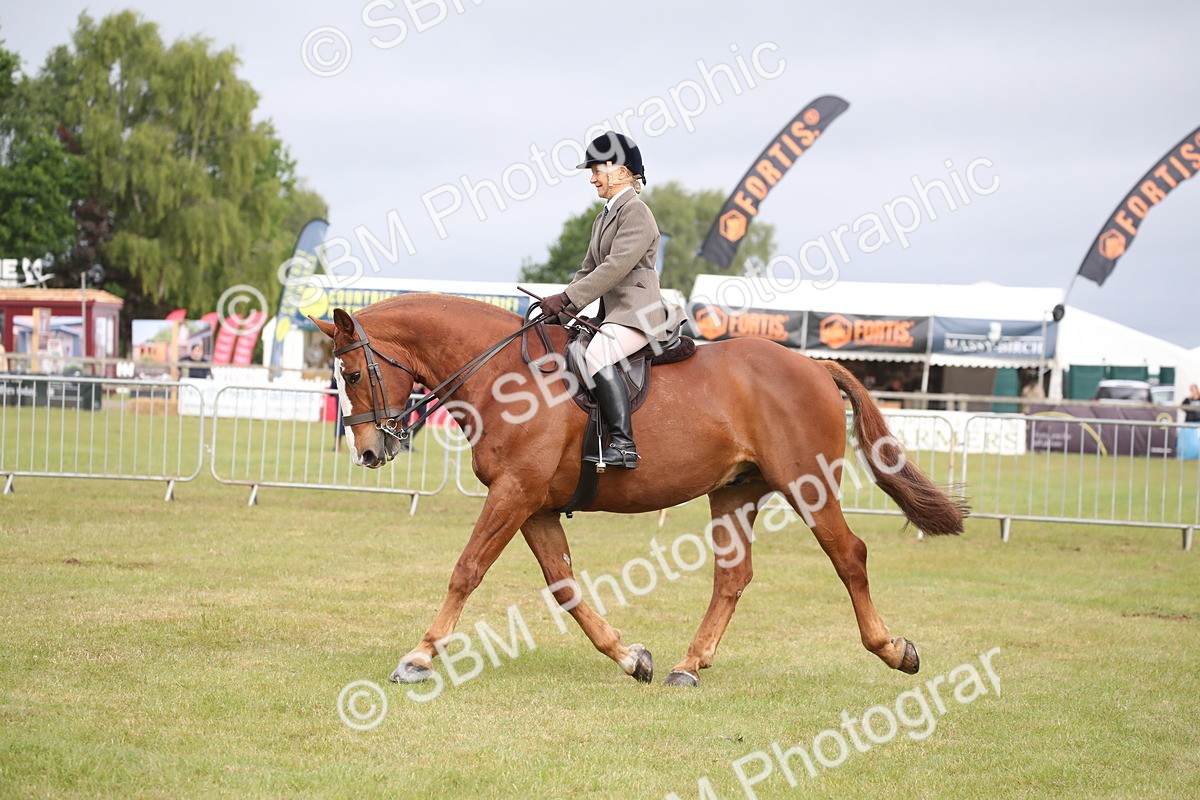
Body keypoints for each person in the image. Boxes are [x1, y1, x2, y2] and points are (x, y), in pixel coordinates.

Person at [540, 131, 684, 469]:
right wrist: (561, 310)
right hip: (616, 313)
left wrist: (567, 297)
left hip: (640, 312)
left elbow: (615, 267)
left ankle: (624, 444)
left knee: (598, 354)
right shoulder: (604, 216)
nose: (592, 179)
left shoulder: (637, 212)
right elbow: (587, 269)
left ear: (621, 171)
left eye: (596, 171)